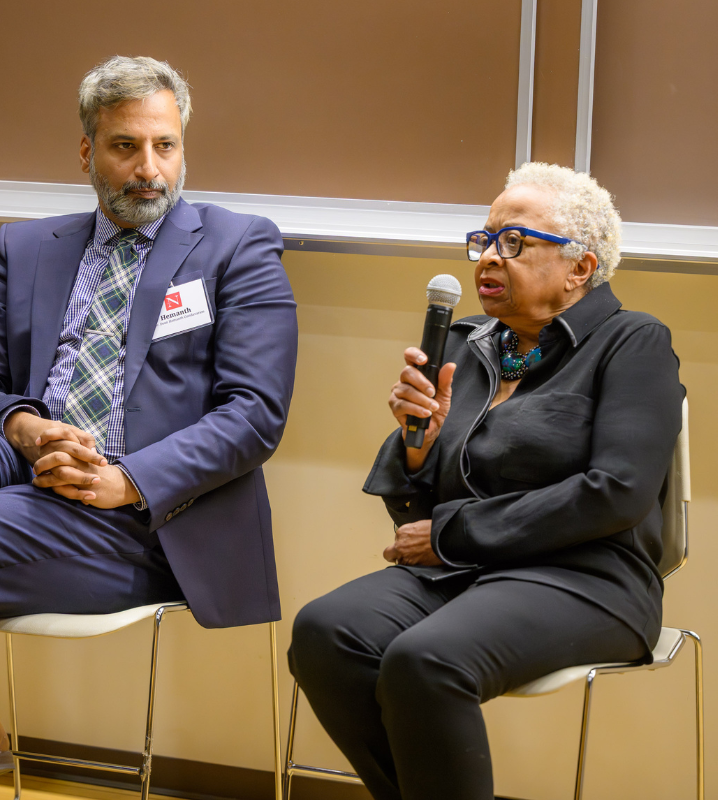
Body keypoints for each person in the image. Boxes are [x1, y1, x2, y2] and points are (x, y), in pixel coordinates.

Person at [0, 56, 298, 797]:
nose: (149, 169)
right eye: (126, 146)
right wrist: (30, 430)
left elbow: (255, 414)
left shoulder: (237, 245)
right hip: (28, 479)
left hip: (146, 523)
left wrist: (124, 479)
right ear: (87, 152)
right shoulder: (25, 247)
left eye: (165, 145)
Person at [288, 162, 684, 800]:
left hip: (588, 578)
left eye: (516, 242)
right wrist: (418, 444)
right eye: (486, 239)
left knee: (426, 662)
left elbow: (618, 491)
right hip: (466, 572)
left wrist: (450, 534)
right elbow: (419, 511)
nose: (489, 257)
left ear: (580, 267)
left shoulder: (632, 342)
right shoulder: (470, 346)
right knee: (327, 633)